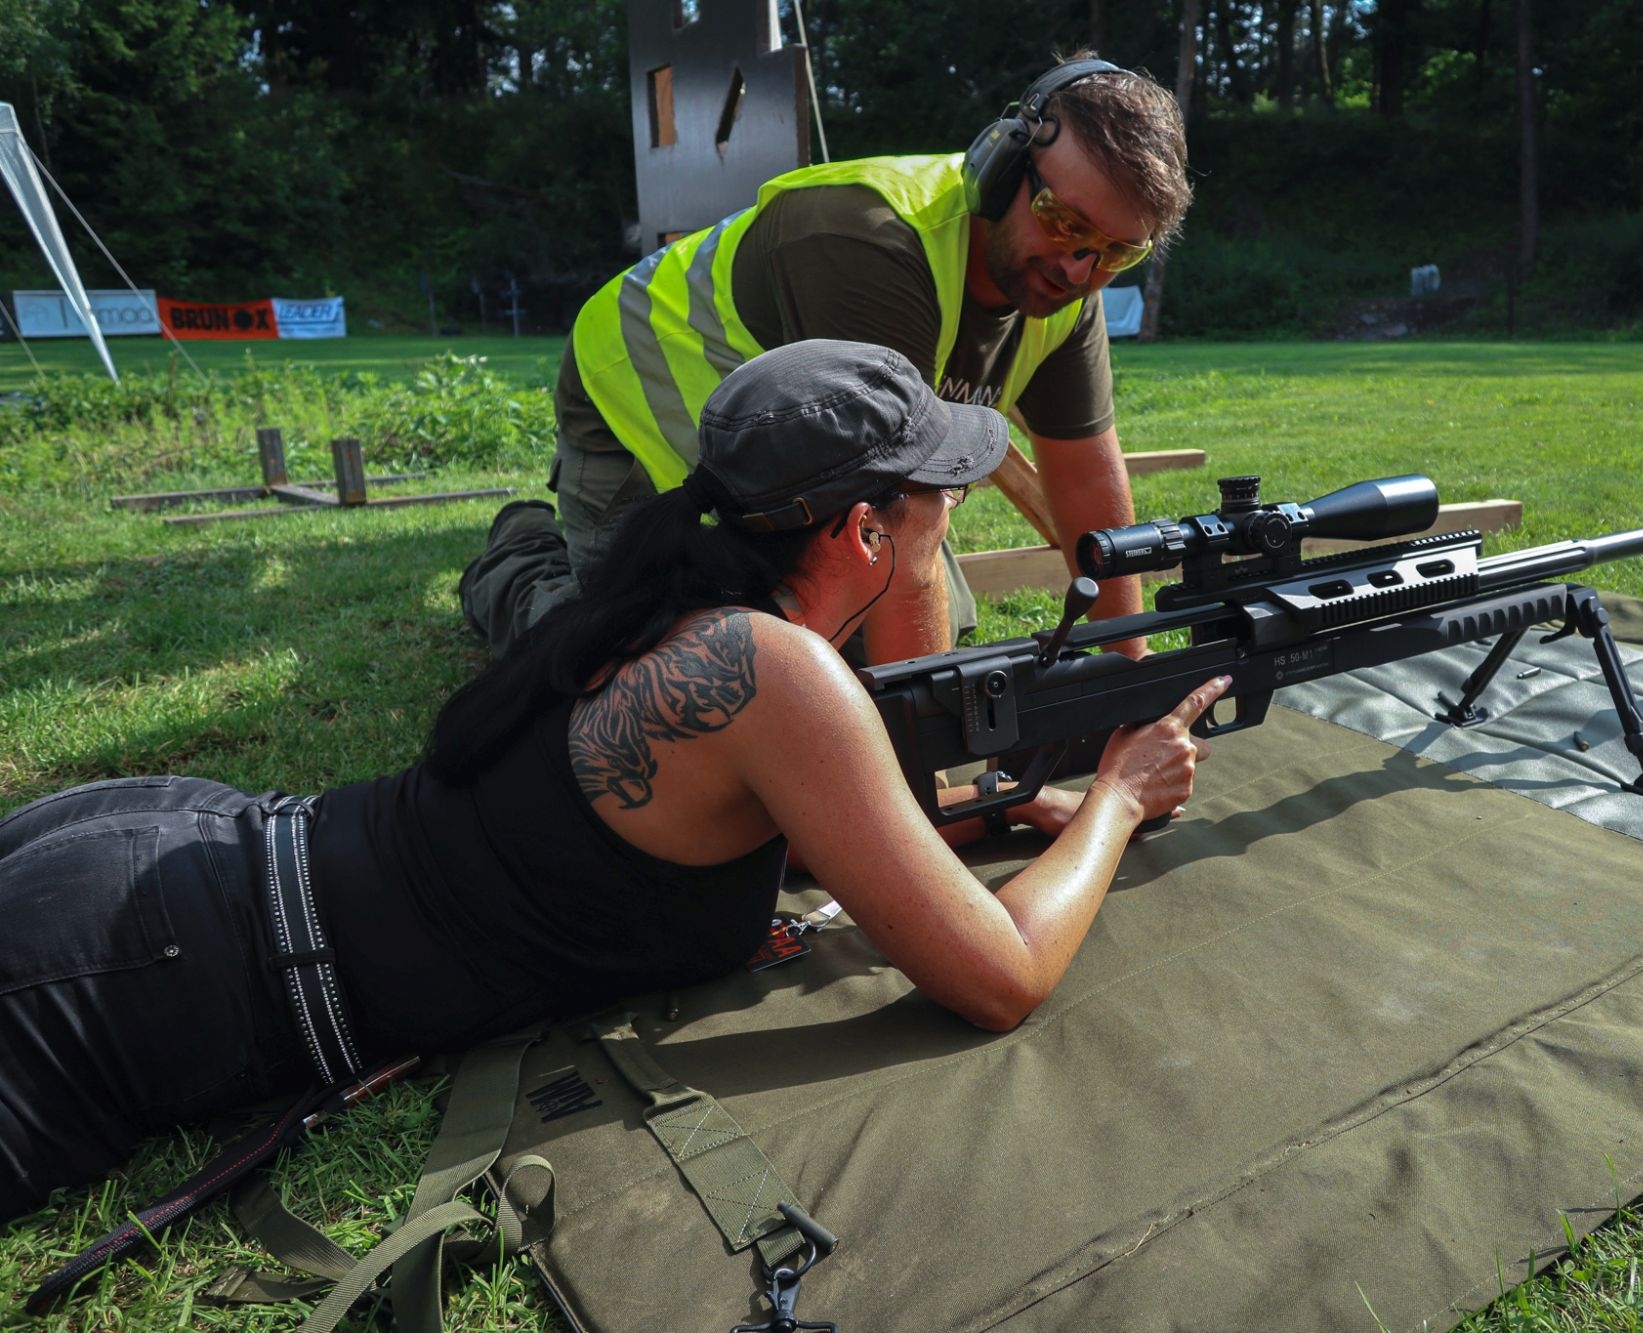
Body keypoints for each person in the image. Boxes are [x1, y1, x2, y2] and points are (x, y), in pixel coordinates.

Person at [0, 340, 1228, 1225]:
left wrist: (1000, 808)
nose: (946, 517)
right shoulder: (778, 670)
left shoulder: (680, 600)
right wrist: (1118, 793)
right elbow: (1001, 978)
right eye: (935, 501)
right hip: (139, 978)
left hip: (173, 865)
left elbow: (810, 837)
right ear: (862, 532)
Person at [458, 53, 1193, 662]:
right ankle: (518, 561)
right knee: (663, 662)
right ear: (1001, 168)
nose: (1079, 267)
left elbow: (1085, 479)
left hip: (788, 436)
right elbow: (900, 518)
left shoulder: (1068, 286)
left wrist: (1129, 676)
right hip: (636, 388)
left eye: (1117, 251)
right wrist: (923, 760)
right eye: (1062, 221)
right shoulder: (873, 244)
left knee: (918, 623)